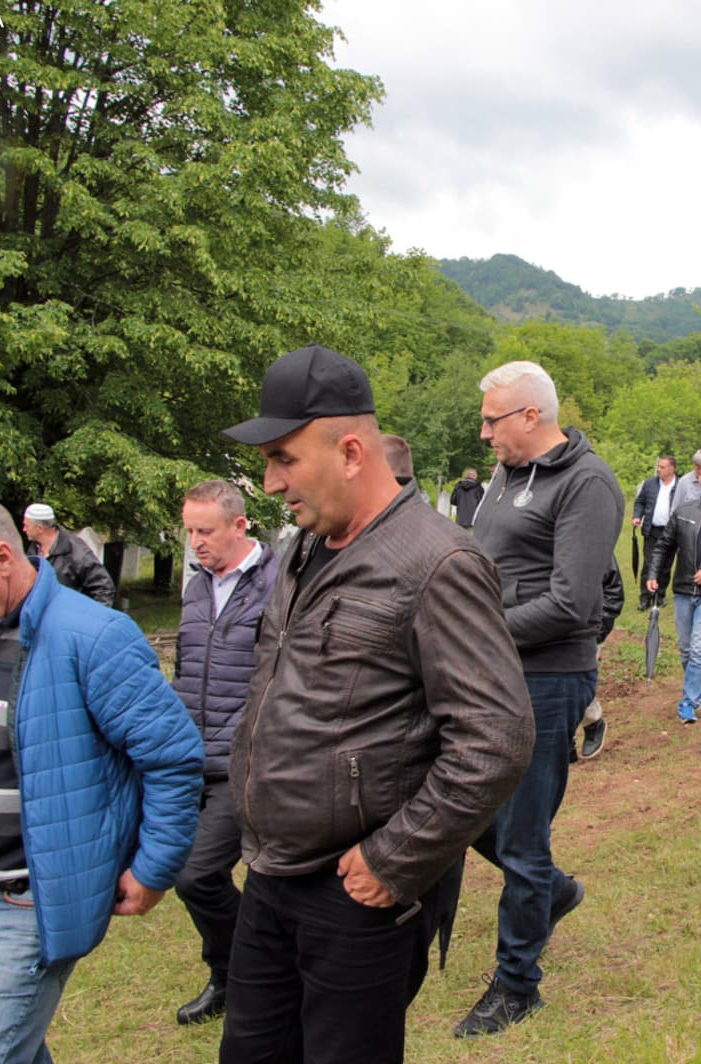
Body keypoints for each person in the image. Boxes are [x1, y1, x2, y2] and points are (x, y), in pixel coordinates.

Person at [218, 344, 534, 1062]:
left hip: (353, 897)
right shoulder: (306, 548)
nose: (269, 483)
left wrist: (394, 859)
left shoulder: (439, 562)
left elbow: (497, 739)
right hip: (269, 876)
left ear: (351, 451)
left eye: (284, 459)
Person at [0, 487, 203, 1061]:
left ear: (3, 558)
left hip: (31, 904)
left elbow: (173, 757)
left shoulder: (94, 637)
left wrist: (155, 867)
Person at [461, 359, 625, 1037]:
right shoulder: (505, 474)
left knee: (524, 838)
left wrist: (478, 628)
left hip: (547, 682)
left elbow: (573, 601)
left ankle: (518, 983)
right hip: (489, 674)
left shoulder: (588, 483)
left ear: (533, 415)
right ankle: (553, 892)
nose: (483, 434)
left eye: (492, 419)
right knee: (464, 813)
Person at [170, 480, 280, 1027]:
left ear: (240, 525)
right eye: (189, 531)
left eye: (205, 531)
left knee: (196, 875)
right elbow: (187, 671)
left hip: (249, 762)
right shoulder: (196, 588)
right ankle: (237, 974)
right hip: (192, 760)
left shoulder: (279, 582)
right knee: (184, 872)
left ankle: (240, 975)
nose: (196, 543)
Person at [645, 463, 701, 722]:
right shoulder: (684, 512)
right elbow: (664, 546)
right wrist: (654, 575)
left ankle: (688, 700)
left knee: (699, 648)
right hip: (683, 589)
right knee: (685, 649)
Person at [20, 502, 117, 607]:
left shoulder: (76, 550)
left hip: (69, 619)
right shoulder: (32, 551)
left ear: (40, 528)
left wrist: (93, 619)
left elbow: (104, 587)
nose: (24, 529)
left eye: (26, 525)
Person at [632, 455, 679, 607]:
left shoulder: (680, 485)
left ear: (672, 468)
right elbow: (640, 502)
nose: (659, 469)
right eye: (658, 466)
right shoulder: (649, 484)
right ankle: (645, 598)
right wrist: (637, 516)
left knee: (665, 565)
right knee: (649, 564)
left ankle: (659, 596)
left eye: (663, 467)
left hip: (670, 532)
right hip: (652, 531)